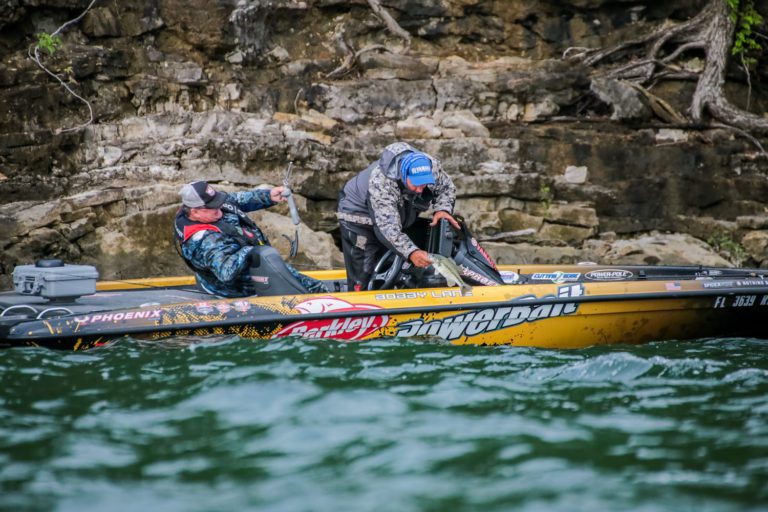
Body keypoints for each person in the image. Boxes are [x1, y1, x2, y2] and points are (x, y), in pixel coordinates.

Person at [337, 141, 460, 291]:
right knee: (364, 268)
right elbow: (388, 228)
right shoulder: (381, 183)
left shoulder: (431, 167)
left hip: (398, 212)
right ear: (404, 175)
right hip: (357, 216)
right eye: (416, 184)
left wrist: (443, 210)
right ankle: (359, 301)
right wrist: (411, 252)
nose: (421, 190)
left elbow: (446, 188)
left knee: (395, 259)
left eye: (424, 184)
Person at [174, 180, 327, 297]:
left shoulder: (209, 206)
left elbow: (236, 200)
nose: (218, 208)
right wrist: (252, 251)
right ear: (195, 213)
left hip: (252, 271)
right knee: (314, 287)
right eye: (212, 207)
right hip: (236, 288)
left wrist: (268, 196)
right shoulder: (205, 240)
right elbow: (226, 272)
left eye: (217, 202)